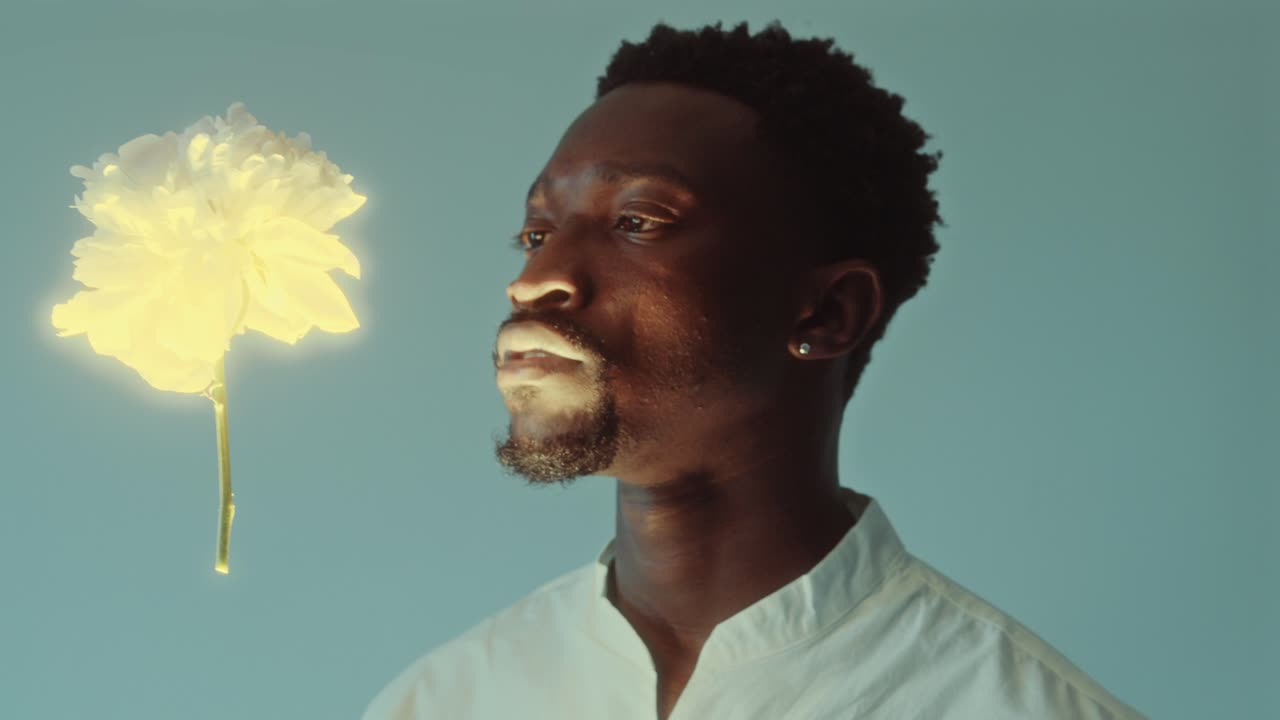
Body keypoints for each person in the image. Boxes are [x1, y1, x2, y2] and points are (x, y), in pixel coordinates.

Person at [362, 19, 1145, 720]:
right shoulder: (443, 701)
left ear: (827, 313)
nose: (535, 281)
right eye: (536, 236)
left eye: (635, 222)